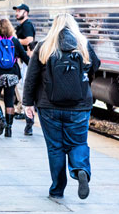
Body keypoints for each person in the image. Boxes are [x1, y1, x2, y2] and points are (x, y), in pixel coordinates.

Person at [23, 13, 100, 200]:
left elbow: (31, 77)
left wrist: (27, 103)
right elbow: (95, 66)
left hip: (49, 107)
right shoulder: (83, 44)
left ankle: (57, 189)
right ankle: (81, 170)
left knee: (55, 147)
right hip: (79, 106)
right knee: (78, 143)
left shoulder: (44, 46)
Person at [0, 18, 29, 138]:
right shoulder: (15, 41)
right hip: (12, 75)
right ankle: (9, 128)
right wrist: (37, 69)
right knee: (9, 101)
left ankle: (1, 120)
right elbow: (24, 56)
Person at [13, 4, 36, 134]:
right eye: (16, 11)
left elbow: (29, 40)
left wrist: (16, 40)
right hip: (21, 59)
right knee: (19, 84)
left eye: (19, 10)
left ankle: (24, 111)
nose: (17, 13)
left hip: (24, 59)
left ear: (26, 12)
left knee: (22, 85)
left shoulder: (27, 25)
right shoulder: (22, 25)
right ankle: (21, 108)